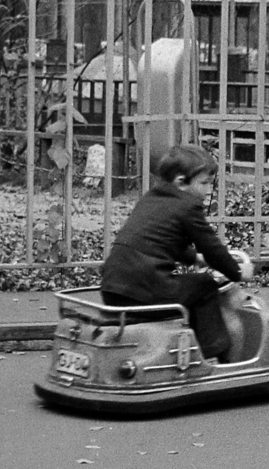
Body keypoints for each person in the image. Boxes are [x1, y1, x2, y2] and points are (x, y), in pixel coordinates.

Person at [100, 144, 254, 361]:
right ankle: (212, 355)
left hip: (113, 289)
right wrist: (238, 272)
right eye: (204, 183)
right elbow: (211, 247)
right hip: (145, 291)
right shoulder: (188, 206)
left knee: (188, 284)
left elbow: (162, 241)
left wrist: (195, 259)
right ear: (181, 182)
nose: (207, 190)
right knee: (204, 285)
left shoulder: (150, 199)